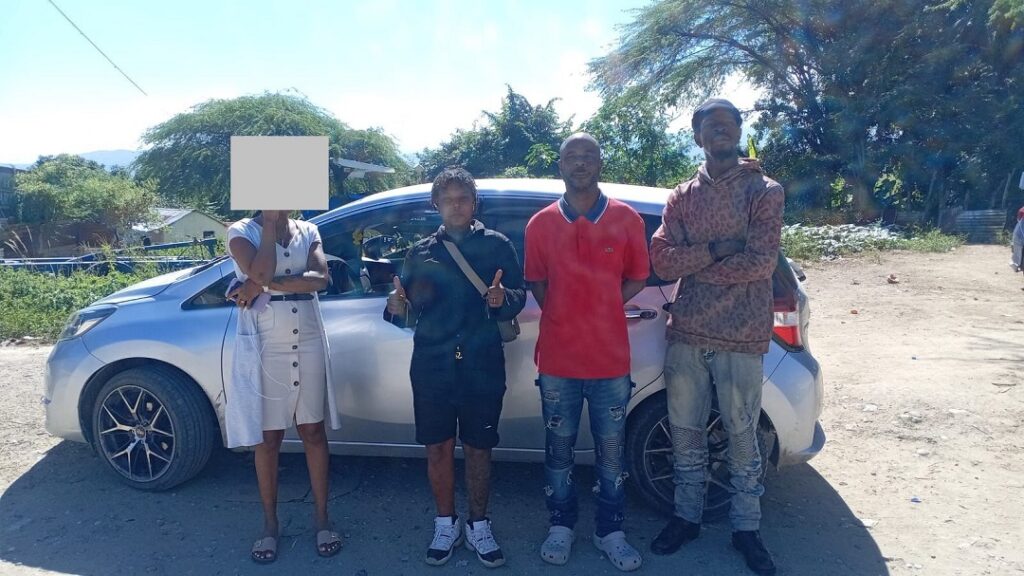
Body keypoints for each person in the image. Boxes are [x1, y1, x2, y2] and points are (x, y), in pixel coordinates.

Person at [648, 98, 784, 576]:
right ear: (697, 136)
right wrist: (720, 248)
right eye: (711, 124)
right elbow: (662, 260)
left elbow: (761, 263)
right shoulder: (682, 196)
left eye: (728, 123)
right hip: (686, 332)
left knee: (742, 436)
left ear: (739, 131)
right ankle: (686, 517)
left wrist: (695, 261)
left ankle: (746, 528)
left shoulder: (764, 191)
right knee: (685, 432)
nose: (720, 130)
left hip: (741, 334)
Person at [385, 167, 526, 568]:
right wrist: (395, 307)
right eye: (447, 199)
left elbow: (519, 294)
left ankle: (479, 523)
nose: (456, 206)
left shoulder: (497, 245)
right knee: (438, 447)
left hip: (482, 364)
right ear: (436, 205)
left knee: (479, 448)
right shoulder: (420, 253)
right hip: (432, 366)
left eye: (463, 198)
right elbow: (407, 312)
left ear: (474, 202)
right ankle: (445, 523)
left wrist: (502, 299)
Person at [524, 133, 649, 572]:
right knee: (558, 451)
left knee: (611, 454)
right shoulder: (540, 224)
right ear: (560, 165)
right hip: (557, 361)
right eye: (572, 156)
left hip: (610, 361)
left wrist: (606, 304)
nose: (580, 163)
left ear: (599, 163)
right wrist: (566, 312)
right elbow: (538, 283)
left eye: (588, 156)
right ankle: (560, 525)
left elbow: (638, 276)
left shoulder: (626, 218)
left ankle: (610, 531)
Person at [225, 209, 342, 564]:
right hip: (265, 343)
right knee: (269, 438)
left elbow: (320, 278)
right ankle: (270, 524)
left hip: (308, 338)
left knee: (313, 430)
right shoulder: (241, 231)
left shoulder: (309, 229)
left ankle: (322, 519)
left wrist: (261, 286)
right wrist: (270, 223)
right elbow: (259, 271)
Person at [1011, 206, 1023, 286]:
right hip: (1020, 237)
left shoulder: (1022, 210)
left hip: (1018, 237)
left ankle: (1016, 265)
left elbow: (1018, 219)